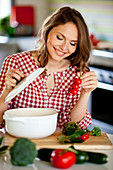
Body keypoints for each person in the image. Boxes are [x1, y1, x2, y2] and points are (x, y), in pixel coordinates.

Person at [0, 6, 98, 129]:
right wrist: (7, 92)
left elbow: (74, 125)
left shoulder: (77, 73)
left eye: (72, 43)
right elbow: (0, 120)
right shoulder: (16, 62)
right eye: (59, 38)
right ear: (47, 31)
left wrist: (86, 93)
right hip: (20, 142)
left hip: (57, 145)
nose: (64, 47)